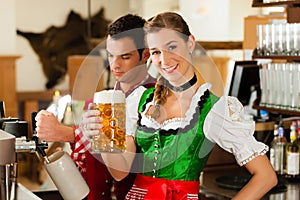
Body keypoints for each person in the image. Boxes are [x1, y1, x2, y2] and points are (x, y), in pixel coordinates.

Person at [81, 12, 278, 199]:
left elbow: (266, 177)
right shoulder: (140, 100)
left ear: (190, 43)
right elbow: (120, 172)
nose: (164, 60)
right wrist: (103, 135)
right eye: (157, 52)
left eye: (172, 47)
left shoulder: (214, 109)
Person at [35, 14, 156, 200]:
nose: (114, 65)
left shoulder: (156, 99)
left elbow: (123, 169)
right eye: (110, 55)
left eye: (125, 57)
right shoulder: (96, 102)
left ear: (145, 54)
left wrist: (67, 133)